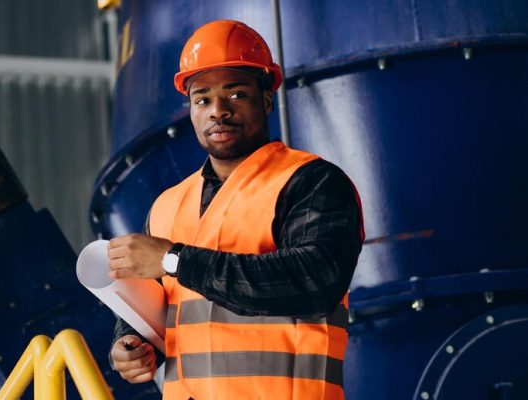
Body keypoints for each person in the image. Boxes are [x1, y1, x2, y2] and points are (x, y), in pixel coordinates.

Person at [107, 20, 363, 400]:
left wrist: (175, 260)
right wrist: (131, 345)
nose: (218, 111)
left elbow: (315, 279)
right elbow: (159, 311)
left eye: (236, 94)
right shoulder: (167, 205)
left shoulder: (312, 182)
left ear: (265, 99)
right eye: (202, 99)